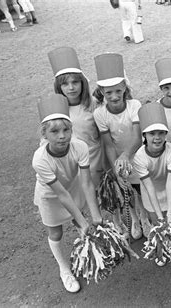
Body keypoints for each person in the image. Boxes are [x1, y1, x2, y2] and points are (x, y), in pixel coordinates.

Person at [32, 94, 102, 293]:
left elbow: (87, 183)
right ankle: (64, 269)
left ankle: (90, 253)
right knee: (56, 232)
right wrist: (83, 220)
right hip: (51, 196)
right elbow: (61, 195)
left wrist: (95, 215)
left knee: (82, 221)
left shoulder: (79, 146)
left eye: (66, 130)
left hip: (73, 186)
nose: (62, 136)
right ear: (44, 135)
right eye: (54, 131)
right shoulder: (40, 159)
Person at [92, 53, 146, 239]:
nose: (114, 96)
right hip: (118, 157)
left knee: (141, 189)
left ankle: (144, 216)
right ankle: (134, 218)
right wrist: (116, 166)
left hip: (136, 154)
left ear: (124, 87)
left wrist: (126, 156)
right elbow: (107, 144)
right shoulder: (100, 114)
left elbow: (138, 138)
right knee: (126, 189)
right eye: (108, 93)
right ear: (101, 92)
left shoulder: (134, 105)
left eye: (117, 91)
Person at [133, 103, 171, 265]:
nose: (157, 137)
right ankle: (161, 247)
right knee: (156, 221)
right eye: (152, 133)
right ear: (144, 135)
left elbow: (170, 181)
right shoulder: (139, 157)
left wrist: (168, 213)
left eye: (161, 133)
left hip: (169, 190)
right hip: (150, 193)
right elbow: (148, 186)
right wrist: (160, 216)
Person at [48, 47, 103, 187]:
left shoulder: (93, 105)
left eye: (75, 82)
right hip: (70, 164)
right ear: (59, 87)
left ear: (82, 83)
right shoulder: (56, 109)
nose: (71, 88)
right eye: (65, 84)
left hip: (95, 160)